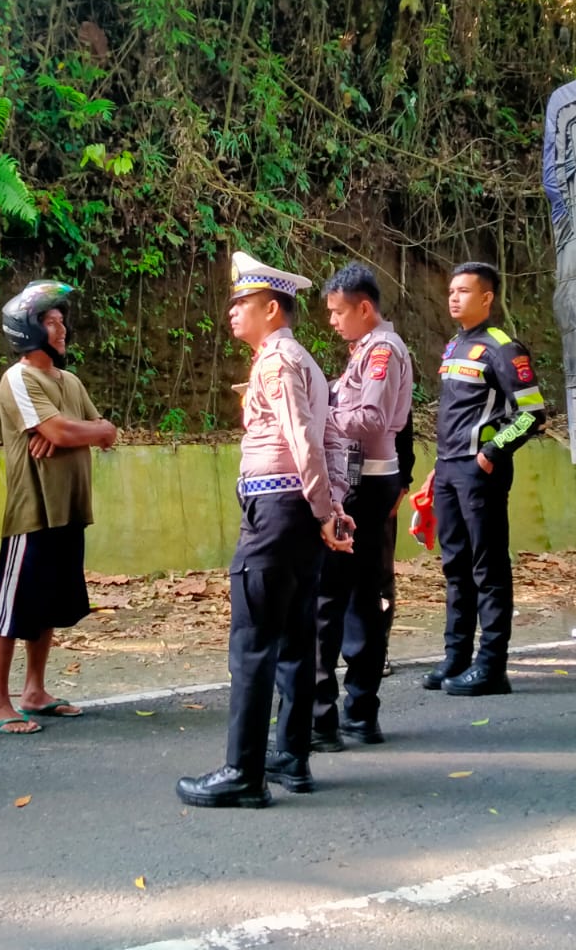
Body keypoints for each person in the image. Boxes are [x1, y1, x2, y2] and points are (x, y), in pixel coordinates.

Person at [177, 252, 353, 809]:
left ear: (271, 308)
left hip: (276, 512)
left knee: (252, 644)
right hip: (298, 515)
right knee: (296, 637)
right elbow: (331, 440)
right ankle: (290, 755)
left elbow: (304, 438)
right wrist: (330, 507)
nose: (232, 313)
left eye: (242, 304)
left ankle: (242, 772)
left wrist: (326, 510)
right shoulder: (303, 361)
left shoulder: (276, 362)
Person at [0, 280, 118, 734]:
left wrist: (76, 430)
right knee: (11, 607)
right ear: (28, 329)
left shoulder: (71, 381)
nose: (62, 329)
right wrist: (68, 431)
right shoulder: (19, 378)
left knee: (47, 604)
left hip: (68, 509)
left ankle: (34, 691)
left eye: (62, 321)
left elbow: (106, 432)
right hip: (32, 511)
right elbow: (63, 432)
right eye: (52, 322)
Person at [418, 262, 546, 697]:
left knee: (487, 569)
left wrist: (491, 453)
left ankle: (492, 666)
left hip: (479, 474)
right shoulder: (455, 346)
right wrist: (440, 466)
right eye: (451, 290)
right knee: (455, 567)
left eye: (464, 291)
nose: (454, 297)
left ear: (487, 298)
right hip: (449, 470)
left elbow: (532, 413)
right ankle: (457, 658)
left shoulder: (503, 349)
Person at [311, 263, 413, 750]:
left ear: (365, 308)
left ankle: (337, 715)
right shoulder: (365, 352)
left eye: (338, 312)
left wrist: (319, 414)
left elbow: (371, 418)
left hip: (364, 486)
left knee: (341, 597)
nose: (332, 321)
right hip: (365, 480)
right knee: (355, 597)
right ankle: (350, 713)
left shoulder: (382, 352)